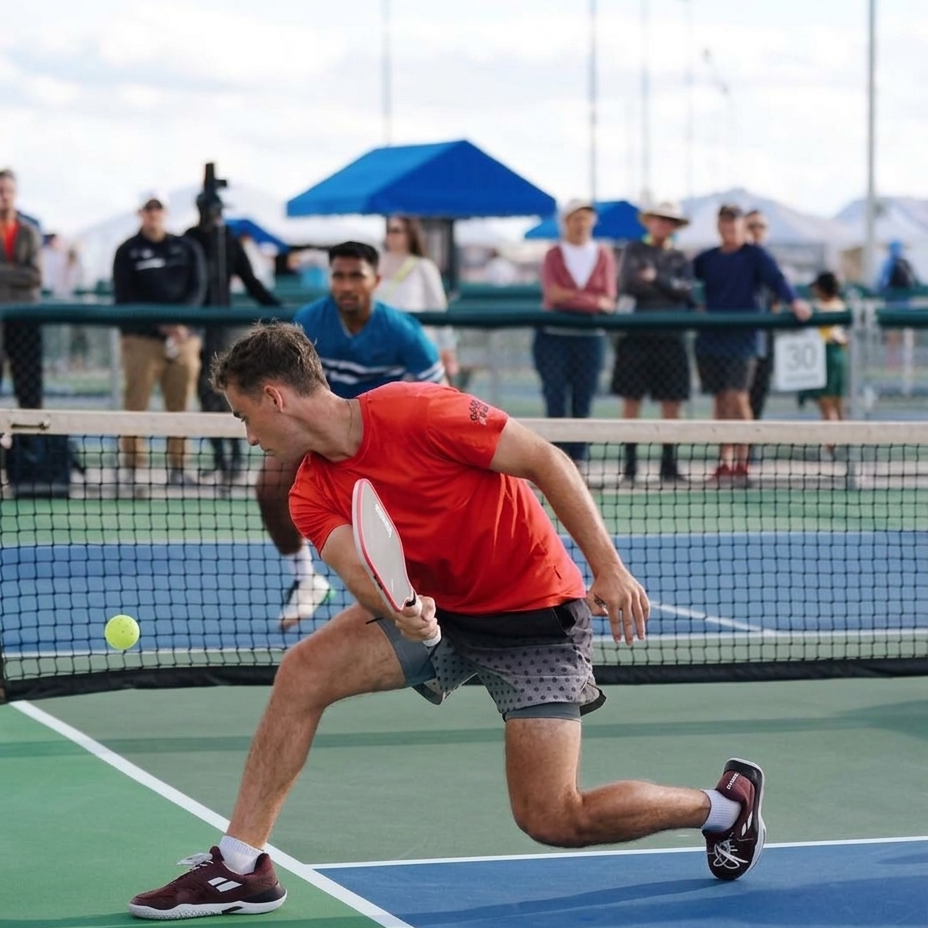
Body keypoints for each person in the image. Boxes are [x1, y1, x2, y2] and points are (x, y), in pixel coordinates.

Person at [128, 321, 768, 919]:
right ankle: (242, 866)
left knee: (554, 817)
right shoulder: (309, 491)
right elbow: (366, 578)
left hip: (535, 618)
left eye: (244, 416)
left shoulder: (419, 410)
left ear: (275, 398)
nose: (248, 436)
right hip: (444, 615)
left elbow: (546, 460)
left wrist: (608, 567)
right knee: (304, 672)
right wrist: (401, 611)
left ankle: (721, 807)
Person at [261, 241, 445, 628]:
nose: (346, 285)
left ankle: (428, 599)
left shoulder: (403, 332)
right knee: (271, 485)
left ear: (375, 280)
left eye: (355, 276)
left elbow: (441, 397)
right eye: (338, 276)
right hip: (319, 431)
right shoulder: (309, 321)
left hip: (383, 439)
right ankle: (305, 578)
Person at [693, 205, 810, 482]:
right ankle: (724, 462)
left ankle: (743, 462)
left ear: (742, 226)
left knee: (738, 396)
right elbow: (685, 285)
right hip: (712, 339)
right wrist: (694, 304)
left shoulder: (756, 255)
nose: (729, 228)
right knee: (720, 400)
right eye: (724, 223)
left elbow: (778, 280)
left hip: (744, 340)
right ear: (719, 226)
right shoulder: (706, 259)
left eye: (734, 223)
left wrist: (795, 301)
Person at [112, 191, 206, 488]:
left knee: (180, 403)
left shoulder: (186, 248)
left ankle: (179, 467)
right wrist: (160, 323)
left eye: (158, 208)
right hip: (141, 339)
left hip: (183, 338)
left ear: (165, 212)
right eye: (148, 208)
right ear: (140, 213)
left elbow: (198, 289)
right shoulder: (127, 251)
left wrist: (180, 325)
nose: (153, 214)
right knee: (136, 402)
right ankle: (133, 467)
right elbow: (125, 296)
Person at [184, 198, 282, 482]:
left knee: (229, 392)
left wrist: (279, 309)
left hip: (220, 328)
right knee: (205, 393)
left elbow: (251, 280)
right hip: (194, 328)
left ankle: (235, 459)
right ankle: (220, 457)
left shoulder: (228, 240)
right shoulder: (190, 240)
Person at [610, 200, 693, 484]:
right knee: (631, 402)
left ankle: (669, 464)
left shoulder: (681, 258)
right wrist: (668, 286)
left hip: (671, 340)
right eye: (658, 218)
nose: (662, 224)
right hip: (636, 338)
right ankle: (630, 465)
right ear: (649, 221)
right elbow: (629, 283)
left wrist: (657, 279)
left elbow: (686, 291)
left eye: (668, 220)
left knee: (672, 404)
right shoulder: (634, 250)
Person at [535, 199, 617, 465]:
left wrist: (573, 298)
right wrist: (590, 299)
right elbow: (553, 295)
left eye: (585, 218)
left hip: (590, 339)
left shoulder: (604, 254)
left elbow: (608, 300)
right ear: (565, 222)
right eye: (575, 218)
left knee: (583, 400)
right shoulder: (553, 254)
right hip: (554, 337)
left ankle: (578, 458)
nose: (581, 224)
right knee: (555, 397)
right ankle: (555, 459)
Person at [375, 214, 458, 379]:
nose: (391, 236)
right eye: (389, 230)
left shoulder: (424, 267)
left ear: (410, 234)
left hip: (415, 346)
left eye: (396, 231)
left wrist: (447, 348)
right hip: (382, 349)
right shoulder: (375, 263)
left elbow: (438, 307)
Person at [0, 168, 43, 409]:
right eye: (0, 191)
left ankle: (31, 445)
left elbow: (34, 275)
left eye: (8, 191)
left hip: (25, 319)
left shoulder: (29, 232)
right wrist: (16, 271)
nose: (4, 196)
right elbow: (25, 275)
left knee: (29, 390)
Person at [797, 271, 848, 435]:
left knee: (827, 404)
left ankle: (831, 446)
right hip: (838, 354)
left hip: (826, 355)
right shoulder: (841, 306)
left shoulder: (819, 310)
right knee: (837, 403)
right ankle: (842, 443)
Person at [744, 210, 776, 423]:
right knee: (736, 399)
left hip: (764, 339)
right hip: (740, 342)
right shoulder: (737, 261)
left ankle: (750, 453)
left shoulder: (770, 263)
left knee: (758, 396)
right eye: (751, 226)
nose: (756, 231)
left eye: (761, 227)